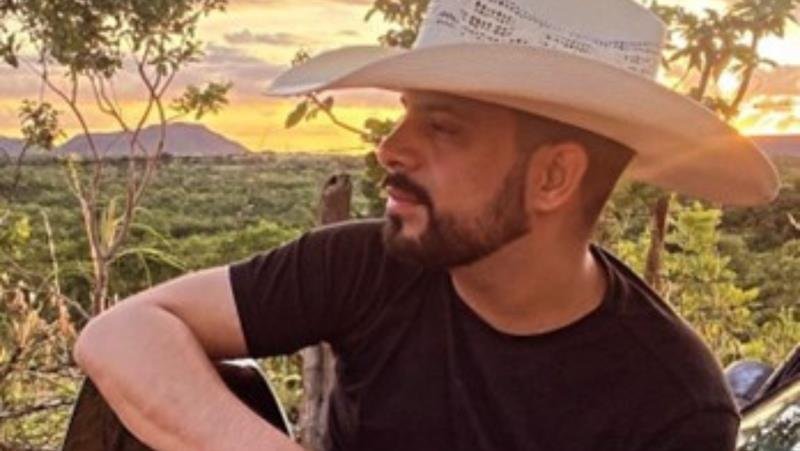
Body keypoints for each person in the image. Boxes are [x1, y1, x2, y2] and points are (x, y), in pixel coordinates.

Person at [73, 0, 780, 450]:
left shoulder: (670, 407)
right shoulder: (373, 264)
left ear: (553, 178)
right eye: (406, 112)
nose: (390, 148)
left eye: (441, 127)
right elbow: (119, 333)